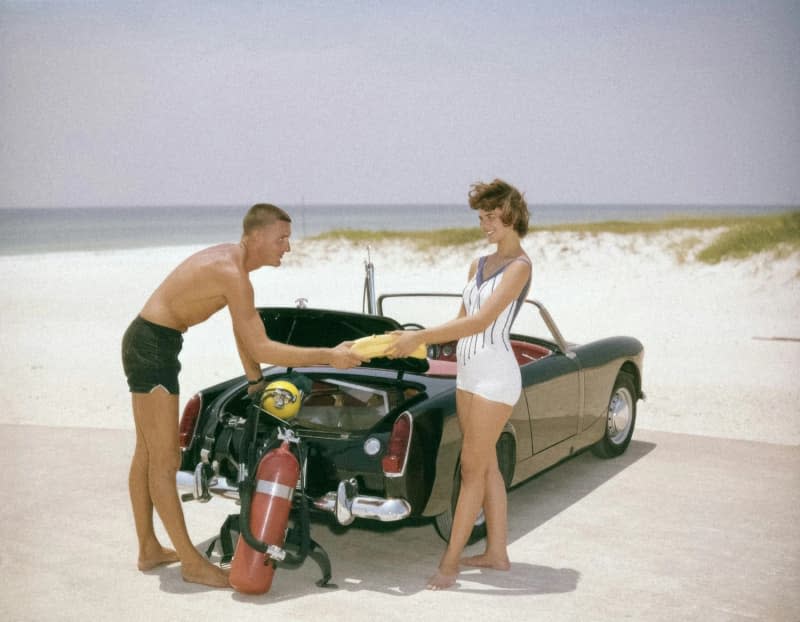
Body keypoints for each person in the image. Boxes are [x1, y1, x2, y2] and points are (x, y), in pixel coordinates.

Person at [122, 203, 365, 587]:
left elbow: (242, 331)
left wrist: (254, 381)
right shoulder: (232, 272)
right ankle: (191, 562)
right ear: (254, 237)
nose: (287, 247)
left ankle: (149, 548)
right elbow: (263, 345)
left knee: (147, 452)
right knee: (164, 459)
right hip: (152, 347)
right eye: (281, 238)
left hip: (152, 341)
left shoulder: (234, 269)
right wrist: (329, 357)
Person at [388, 179, 532, 590]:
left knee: (470, 469)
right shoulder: (478, 264)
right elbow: (458, 320)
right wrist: (413, 343)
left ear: (512, 215)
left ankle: (450, 564)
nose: (485, 225)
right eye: (481, 218)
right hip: (469, 372)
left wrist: (419, 336)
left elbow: (481, 321)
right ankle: (497, 554)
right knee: (484, 465)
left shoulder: (520, 267)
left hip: (495, 376)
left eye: (492, 217)